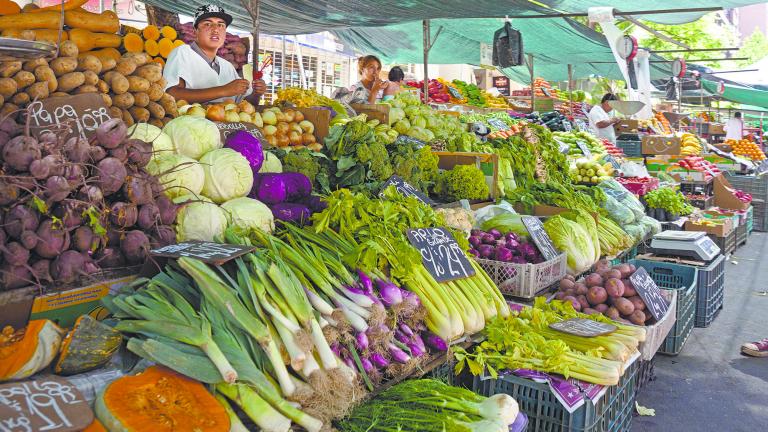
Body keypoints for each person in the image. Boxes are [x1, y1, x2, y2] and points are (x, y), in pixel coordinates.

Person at [162, 4, 266, 105]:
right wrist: (224, 90)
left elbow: (244, 103)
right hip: (190, 122)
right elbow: (171, 94)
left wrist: (256, 94)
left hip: (225, 123)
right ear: (195, 31)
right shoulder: (182, 53)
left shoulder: (228, 67)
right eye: (208, 24)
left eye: (221, 25)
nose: (215, 29)